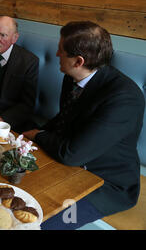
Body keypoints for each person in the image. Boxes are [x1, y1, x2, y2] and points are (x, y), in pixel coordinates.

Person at [23, 21, 145, 230]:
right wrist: (29, 136)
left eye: (61, 51)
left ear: (79, 61)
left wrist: (38, 135)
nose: (56, 54)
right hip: (70, 165)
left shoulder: (125, 97)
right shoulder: (72, 77)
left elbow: (72, 154)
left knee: (40, 224)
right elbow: (65, 118)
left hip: (105, 183)